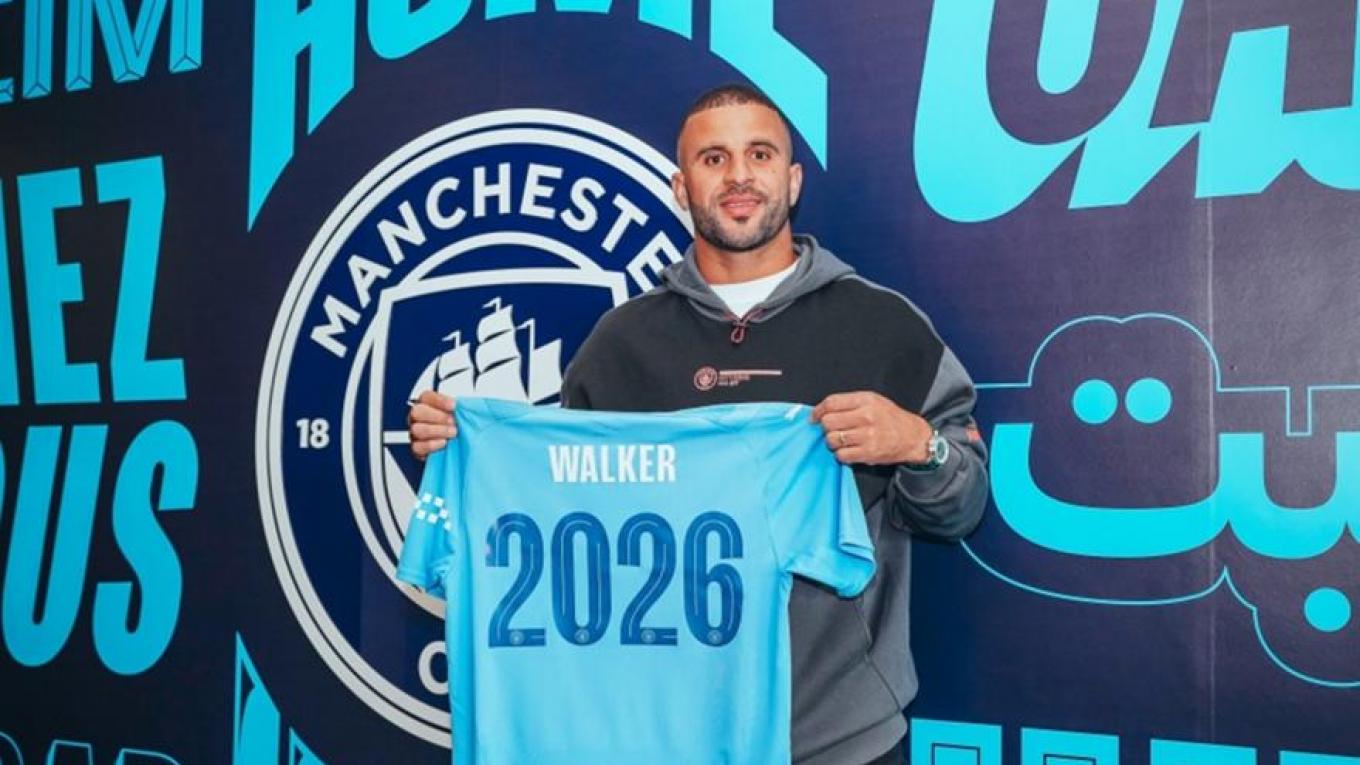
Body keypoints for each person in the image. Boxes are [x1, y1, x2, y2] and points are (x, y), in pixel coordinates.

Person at [407, 84, 989, 765]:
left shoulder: (884, 325)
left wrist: (918, 444)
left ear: (792, 180)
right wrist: (473, 453)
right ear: (681, 189)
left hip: (834, 738)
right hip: (662, 733)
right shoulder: (620, 343)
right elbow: (570, 517)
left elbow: (964, 504)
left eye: (759, 154)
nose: (739, 175)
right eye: (714, 159)